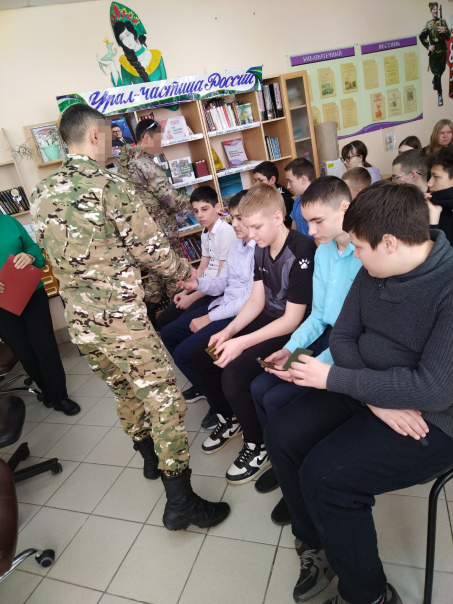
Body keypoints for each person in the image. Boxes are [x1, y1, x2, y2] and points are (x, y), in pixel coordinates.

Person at [30, 103, 230, 532]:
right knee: (164, 399)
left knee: (125, 391)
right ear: (95, 135)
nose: (113, 143)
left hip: (81, 323)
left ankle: (150, 459)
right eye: (109, 134)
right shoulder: (109, 185)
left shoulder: (41, 193)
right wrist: (189, 274)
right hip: (121, 322)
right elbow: (152, 250)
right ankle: (181, 503)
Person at [264, 182, 453, 604]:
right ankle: (316, 542)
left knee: (328, 477)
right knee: (282, 434)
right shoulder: (375, 268)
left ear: (389, 242)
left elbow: (433, 389)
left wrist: (340, 381)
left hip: (433, 419)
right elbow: (343, 337)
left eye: (361, 248)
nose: (355, 255)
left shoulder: (446, 286)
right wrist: (375, 397)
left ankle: (369, 596)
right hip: (372, 389)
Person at [250, 177, 362, 524]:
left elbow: (355, 334)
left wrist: (311, 364)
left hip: (348, 346)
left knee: (277, 399)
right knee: (259, 387)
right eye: (307, 221)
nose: (310, 230)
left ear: (345, 209)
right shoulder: (325, 251)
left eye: (317, 221)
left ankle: (297, 469)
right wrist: (290, 349)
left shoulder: (365, 255)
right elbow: (317, 316)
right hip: (326, 335)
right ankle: (284, 462)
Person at [191, 183, 316, 485]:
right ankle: (230, 417)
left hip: (292, 328)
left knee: (234, 374)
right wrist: (229, 331)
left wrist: (241, 342)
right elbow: (257, 300)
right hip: (267, 317)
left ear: (277, 217)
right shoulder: (261, 247)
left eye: (256, 227)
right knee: (203, 354)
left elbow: (292, 320)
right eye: (248, 227)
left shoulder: (302, 250)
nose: (252, 234)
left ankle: (257, 444)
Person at [160, 191, 255, 431]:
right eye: (232, 218)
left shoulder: (255, 248)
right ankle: (208, 390)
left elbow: (247, 299)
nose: (234, 223)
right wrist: (196, 284)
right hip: (221, 303)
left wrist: (207, 316)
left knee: (187, 352)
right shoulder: (236, 244)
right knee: (169, 332)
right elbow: (221, 281)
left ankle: (222, 407)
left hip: (236, 313)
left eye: (239, 218)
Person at [0, 215, 80, 416]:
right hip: (3, 305)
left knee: (46, 347)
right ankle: (47, 392)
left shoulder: (9, 222)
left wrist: (30, 257)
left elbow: (35, 250)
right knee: (24, 352)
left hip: (31, 293)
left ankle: (60, 397)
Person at [118, 118, 192, 328]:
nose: (162, 143)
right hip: (160, 226)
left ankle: (149, 316)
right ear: (147, 138)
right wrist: (196, 207)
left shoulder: (126, 163)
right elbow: (169, 197)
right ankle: (179, 322)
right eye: (159, 138)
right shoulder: (145, 163)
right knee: (174, 271)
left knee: (156, 271)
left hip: (145, 228)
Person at [156, 186, 236, 333]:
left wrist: (192, 298)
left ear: (217, 207)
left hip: (216, 290)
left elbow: (219, 280)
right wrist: (186, 291)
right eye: (196, 211)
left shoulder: (226, 233)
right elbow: (202, 267)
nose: (200, 215)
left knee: (177, 328)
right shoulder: (205, 232)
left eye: (204, 209)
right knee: (163, 319)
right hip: (203, 284)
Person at [419, 2, 451, 106]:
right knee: (437, 74)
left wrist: (444, 31)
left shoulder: (443, 22)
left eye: (437, 9)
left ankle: (435, 81)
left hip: (442, 52)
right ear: (431, 11)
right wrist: (428, 46)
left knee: (440, 72)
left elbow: (448, 37)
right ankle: (440, 94)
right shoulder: (429, 24)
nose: (435, 11)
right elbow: (422, 36)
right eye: (434, 9)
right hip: (434, 54)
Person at [252, 161, 294, 227]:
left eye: (260, 180)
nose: (256, 184)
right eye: (255, 181)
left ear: (272, 180)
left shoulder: (285, 199)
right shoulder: (259, 196)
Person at [426, 146, 453, 245]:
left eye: (436, 177)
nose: (429, 183)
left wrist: (433, 225)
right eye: (430, 176)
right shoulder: (432, 204)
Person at [285, 158, 316, 236]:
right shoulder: (297, 201)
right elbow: (294, 232)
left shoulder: (319, 202)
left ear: (303, 179)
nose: (288, 186)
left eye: (290, 181)